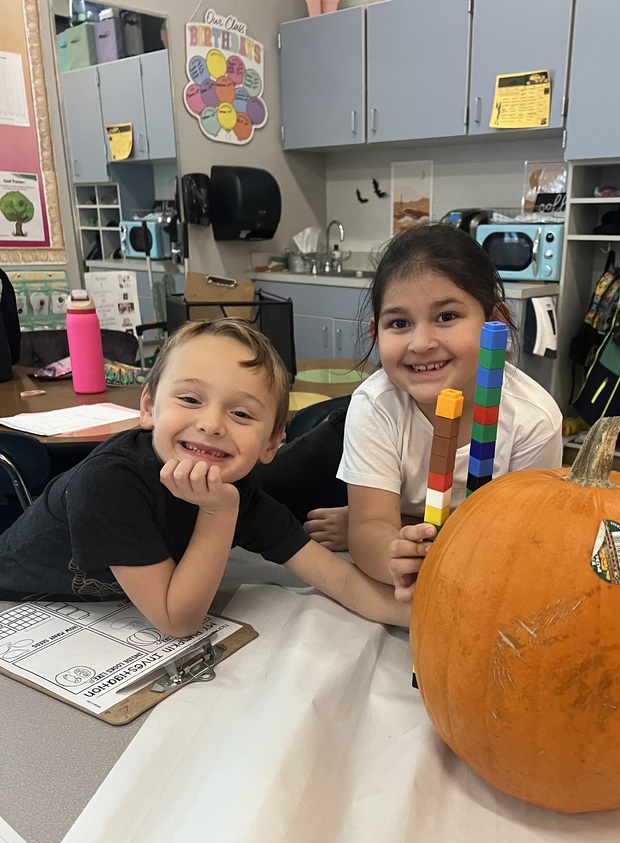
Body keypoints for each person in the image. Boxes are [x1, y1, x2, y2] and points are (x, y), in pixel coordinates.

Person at [0, 318, 410, 635]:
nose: (211, 424)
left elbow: (340, 579)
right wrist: (216, 514)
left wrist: (426, 617)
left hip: (99, 616)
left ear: (271, 443)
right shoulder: (109, 483)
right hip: (18, 612)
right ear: (149, 408)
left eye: (242, 413)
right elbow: (177, 621)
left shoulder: (240, 496)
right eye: (191, 399)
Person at [334, 222, 564, 601]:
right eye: (399, 323)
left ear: (496, 323)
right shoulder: (375, 405)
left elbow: (517, 542)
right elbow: (370, 528)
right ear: (376, 334)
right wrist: (390, 554)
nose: (421, 343)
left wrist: (404, 525)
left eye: (446, 317)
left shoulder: (533, 422)